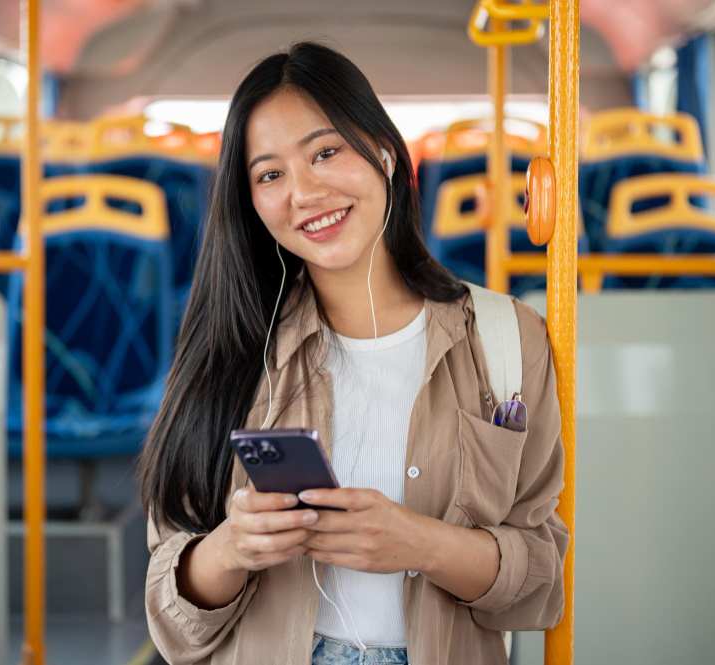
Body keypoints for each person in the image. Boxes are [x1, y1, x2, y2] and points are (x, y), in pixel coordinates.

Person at [137, 41, 568, 665]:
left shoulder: (507, 339)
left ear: (387, 155)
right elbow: (171, 619)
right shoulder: (228, 348)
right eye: (270, 174)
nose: (304, 192)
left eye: (326, 152)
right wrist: (233, 547)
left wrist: (422, 544)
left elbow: (541, 584)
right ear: (250, 202)